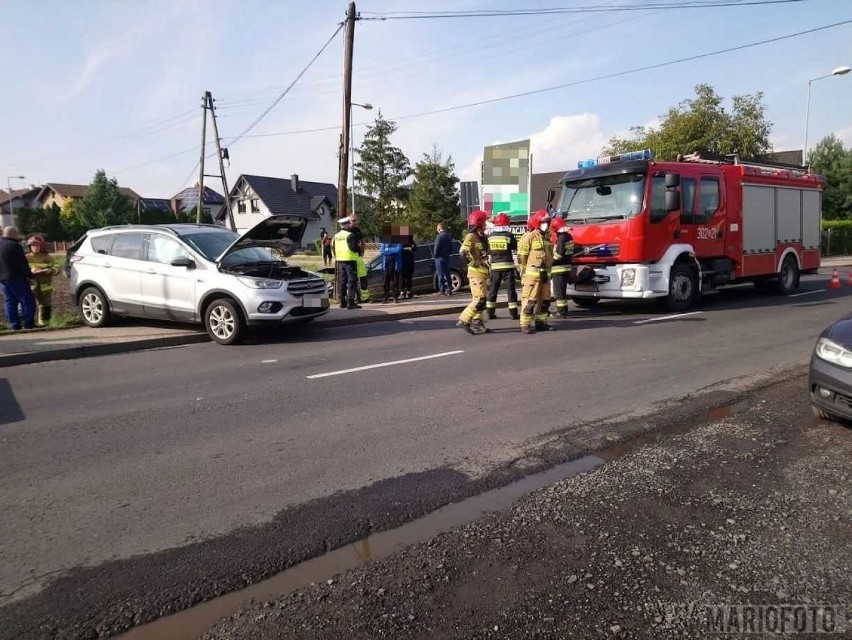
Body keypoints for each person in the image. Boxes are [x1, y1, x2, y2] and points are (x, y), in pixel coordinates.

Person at [517, 210, 554, 334]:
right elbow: (522, 255)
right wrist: (523, 270)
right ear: (538, 223)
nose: (547, 225)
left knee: (545, 300)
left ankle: (541, 322)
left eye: (548, 223)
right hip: (532, 275)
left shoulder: (546, 237)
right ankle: (525, 325)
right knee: (529, 301)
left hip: (545, 274)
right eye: (544, 222)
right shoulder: (530, 236)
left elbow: (550, 254)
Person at [456, 210, 491, 335]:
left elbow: (482, 254)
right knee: (480, 300)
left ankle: (477, 323)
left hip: (481, 274)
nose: (486, 225)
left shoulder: (481, 237)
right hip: (476, 274)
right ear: (479, 223)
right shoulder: (471, 236)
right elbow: (462, 253)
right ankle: (464, 320)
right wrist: (474, 264)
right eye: (485, 222)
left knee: (479, 299)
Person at [0, 226, 36, 330]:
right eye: (17, 234)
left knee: (9, 301)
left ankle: (14, 324)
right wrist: (30, 276)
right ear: (13, 234)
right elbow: (22, 263)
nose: (18, 236)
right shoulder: (15, 246)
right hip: (16, 277)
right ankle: (28, 323)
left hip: (2, 279)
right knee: (27, 299)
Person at [485, 212, 519, 320]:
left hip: (495, 268)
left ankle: (490, 313)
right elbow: (514, 246)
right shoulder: (509, 236)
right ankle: (513, 314)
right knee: (511, 291)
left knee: (493, 290)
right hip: (508, 267)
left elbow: (488, 250)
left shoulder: (490, 237)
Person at [26, 235, 59, 326]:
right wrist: (31, 270)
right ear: (29, 247)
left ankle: (44, 324)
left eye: (37, 246)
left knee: (45, 305)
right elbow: (20, 270)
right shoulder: (26, 258)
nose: (35, 248)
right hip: (31, 285)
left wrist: (51, 270)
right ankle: (29, 324)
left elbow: (57, 268)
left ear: (41, 246)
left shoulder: (48, 257)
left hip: (45, 286)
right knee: (29, 305)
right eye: (32, 246)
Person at [332, 216, 361, 309]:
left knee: (342, 281)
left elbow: (333, 247)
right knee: (352, 281)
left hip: (340, 261)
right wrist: (359, 247)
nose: (350, 225)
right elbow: (353, 248)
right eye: (349, 223)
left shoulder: (336, 236)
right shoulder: (350, 235)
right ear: (347, 225)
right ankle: (351, 302)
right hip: (350, 260)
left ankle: (342, 302)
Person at [549, 217, 574, 319]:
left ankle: (561, 312)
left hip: (559, 269)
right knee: (562, 291)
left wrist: (550, 262)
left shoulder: (561, 238)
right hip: (566, 268)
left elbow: (559, 255)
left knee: (560, 293)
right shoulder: (569, 236)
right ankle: (563, 310)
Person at [433, 223, 453, 296]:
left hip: (439, 257)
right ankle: (449, 289)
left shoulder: (439, 237)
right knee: (447, 273)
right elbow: (451, 247)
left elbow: (436, 248)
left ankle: (442, 290)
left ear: (439, 229)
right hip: (447, 257)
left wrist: (435, 256)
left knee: (440, 274)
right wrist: (448, 254)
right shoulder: (448, 236)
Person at [400, 231, 417, 299]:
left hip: (410, 261)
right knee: (402, 278)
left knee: (409, 277)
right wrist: (409, 248)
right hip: (402, 261)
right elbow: (400, 249)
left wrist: (410, 248)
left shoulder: (410, 240)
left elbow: (415, 247)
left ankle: (409, 291)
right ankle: (402, 292)